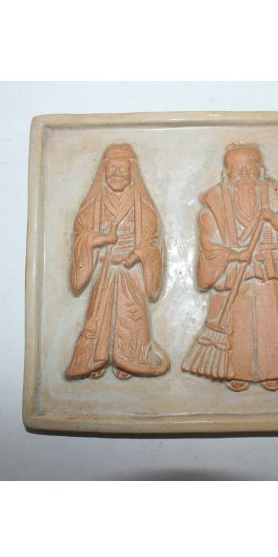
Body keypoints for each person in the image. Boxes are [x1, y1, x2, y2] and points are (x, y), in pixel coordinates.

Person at [183, 143, 278, 391]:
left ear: (261, 170)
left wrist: (275, 218)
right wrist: (233, 255)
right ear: (226, 174)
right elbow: (209, 245)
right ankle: (237, 370)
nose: (244, 174)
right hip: (235, 275)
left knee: (273, 321)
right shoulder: (215, 204)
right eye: (237, 168)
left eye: (250, 168)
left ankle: (276, 369)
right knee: (239, 324)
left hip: (270, 275)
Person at [66, 144, 169, 380]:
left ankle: (129, 360)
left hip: (129, 273)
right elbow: (81, 235)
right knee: (99, 315)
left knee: (130, 316)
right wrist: (101, 239)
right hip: (103, 270)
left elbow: (152, 243)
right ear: (103, 172)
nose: (117, 174)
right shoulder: (93, 206)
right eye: (112, 169)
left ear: (132, 172)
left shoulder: (143, 208)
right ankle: (95, 360)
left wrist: (135, 255)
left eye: (122, 169)